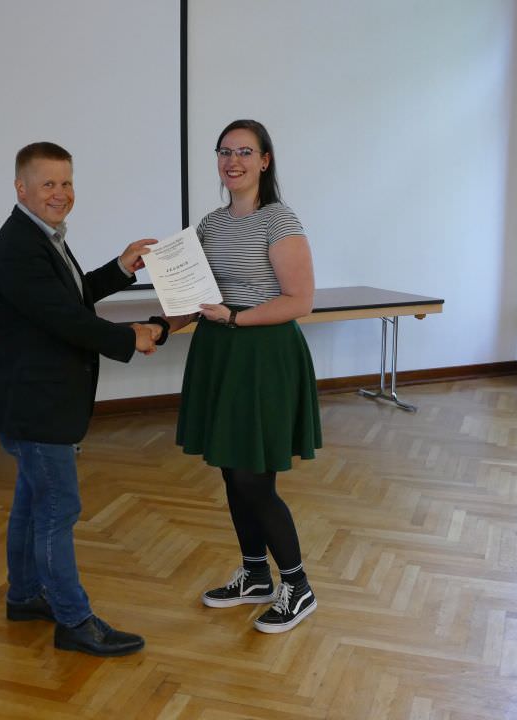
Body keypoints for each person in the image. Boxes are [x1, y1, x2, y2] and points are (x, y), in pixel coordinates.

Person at [0, 141, 160, 657]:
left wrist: (121, 268)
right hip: (37, 407)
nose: (60, 193)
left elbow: (70, 296)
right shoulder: (19, 247)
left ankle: (24, 596)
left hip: (34, 402)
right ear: (21, 188)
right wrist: (131, 337)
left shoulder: (41, 235)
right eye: (48, 184)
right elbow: (66, 320)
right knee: (58, 509)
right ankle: (74, 620)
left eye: (66, 183)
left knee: (32, 501)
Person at [159, 120, 321, 633]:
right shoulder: (210, 224)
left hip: (263, 353)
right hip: (221, 351)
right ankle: (255, 574)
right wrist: (157, 326)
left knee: (253, 476)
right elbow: (193, 298)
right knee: (232, 470)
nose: (233, 161)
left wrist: (235, 317)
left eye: (245, 152)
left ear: (265, 161)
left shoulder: (279, 220)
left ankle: (297, 585)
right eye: (225, 152)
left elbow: (300, 300)